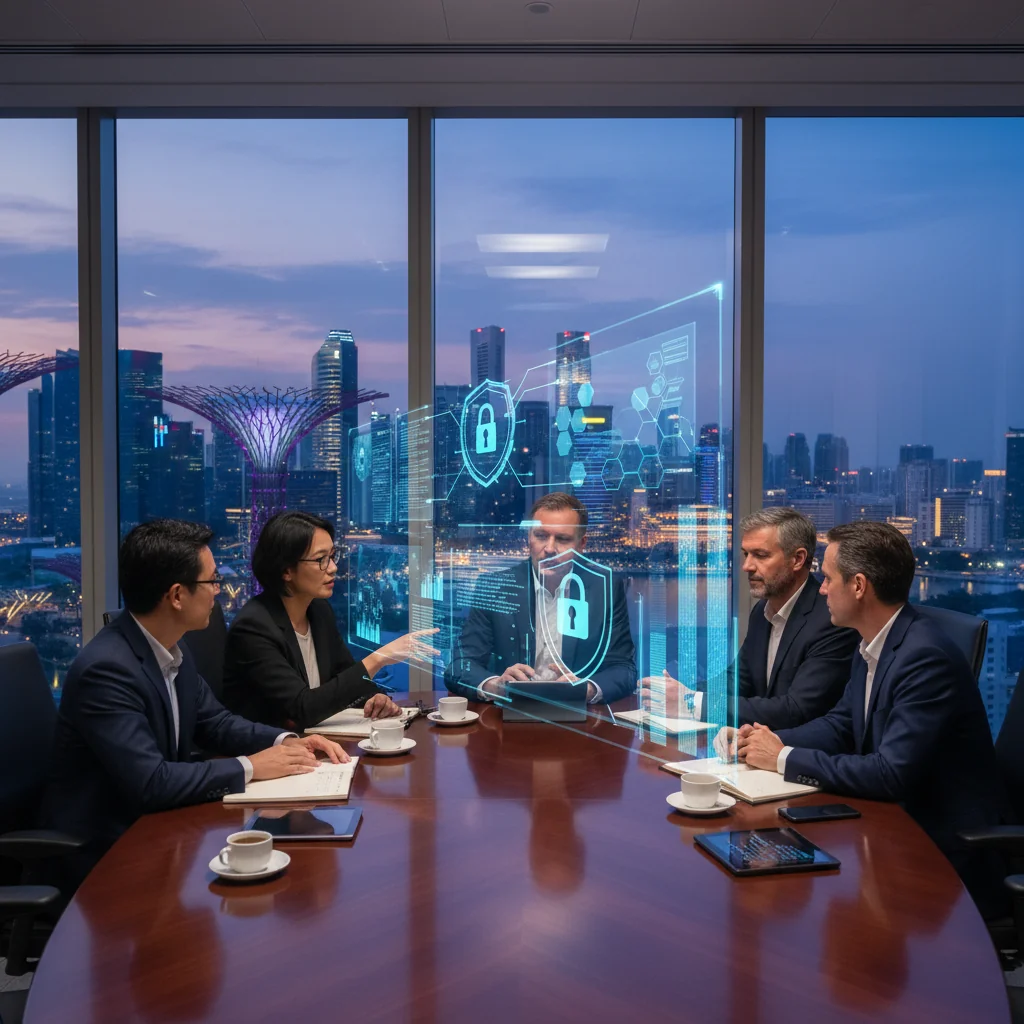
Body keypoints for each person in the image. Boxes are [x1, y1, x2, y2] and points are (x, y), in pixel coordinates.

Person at [44, 519, 347, 883]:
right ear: (176, 595)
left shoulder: (170, 648)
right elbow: (152, 782)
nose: (219, 592)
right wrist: (251, 766)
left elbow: (216, 723)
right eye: (212, 582)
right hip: (108, 855)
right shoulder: (107, 670)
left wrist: (286, 742)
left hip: (164, 834)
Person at [725, 521, 1007, 909]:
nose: (820, 589)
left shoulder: (924, 658)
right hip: (888, 828)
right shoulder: (874, 639)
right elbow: (841, 724)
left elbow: (891, 774)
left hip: (942, 855)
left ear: (858, 586)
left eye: (827, 579)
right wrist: (765, 744)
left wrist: (782, 758)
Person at [641, 507, 858, 730]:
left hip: (800, 756)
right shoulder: (762, 611)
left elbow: (796, 710)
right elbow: (736, 681)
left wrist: (689, 702)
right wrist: (676, 691)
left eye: (761, 555)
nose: (747, 566)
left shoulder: (832, 620)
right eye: (746, 554)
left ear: (798, 559)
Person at [223, 510, 440, 731]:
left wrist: (374, 698)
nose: (334, 568)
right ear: (286, 570)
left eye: (332, 556)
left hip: (313, 743)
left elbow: (345, 676)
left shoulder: (318, 610)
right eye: (321, 560)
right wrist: (380, 658)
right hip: (268, 751)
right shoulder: (253, 627)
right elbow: (302, 709)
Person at [445, 492, 637, 704]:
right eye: (541, 536)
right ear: (529, 537)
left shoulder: (605, 589)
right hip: (508, 718)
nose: (549, 549)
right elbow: (459, 665)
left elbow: (624, 669)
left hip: (580, 718)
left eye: (562, 539)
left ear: (582, 544)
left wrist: (586, 689)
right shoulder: (495, 587)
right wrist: (496, 686)